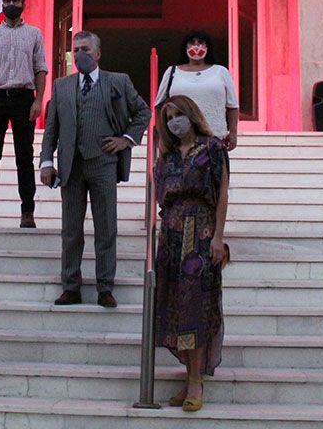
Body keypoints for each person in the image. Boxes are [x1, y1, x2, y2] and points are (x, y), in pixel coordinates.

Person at [39, 30, 150, 308]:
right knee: (71, 230)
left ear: (98, 53)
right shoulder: (62, 86)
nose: (79, 55)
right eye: (75, 49)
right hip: (71, 166)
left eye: (85, 49)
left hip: (103, 163)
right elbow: (52, 128)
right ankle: (70, 286)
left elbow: (143, 112)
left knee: (106, 227)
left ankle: (105, 287)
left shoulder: (118, 82)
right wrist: (46, 161)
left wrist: (126, 139)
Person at [153, 95, 230, 413]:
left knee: (195, 304)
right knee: (174, 305)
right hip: (170, 235)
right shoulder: (167, 155)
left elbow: (222, 192)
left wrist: (218, 237)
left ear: (191, 115)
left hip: (200, 231)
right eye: (169, 117)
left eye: (178, 115)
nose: (174, 122)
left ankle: (197, 381)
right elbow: (160, 197)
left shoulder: (212, 148)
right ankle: (189, 376)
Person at [0, 0, 48, 228]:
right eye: (7, 1)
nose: (11, 4)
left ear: (23, 4)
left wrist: (38, 100)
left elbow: (40, 69)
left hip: (23, 99)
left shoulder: (34, 34)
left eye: (15, 0)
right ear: (2, 4)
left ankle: (27, 211)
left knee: (24, 157)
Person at [154, 31, 240, 151]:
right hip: (179, 139)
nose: (196, 46)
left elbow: (232, 106)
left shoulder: (221, 72)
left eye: (200, 42)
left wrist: (233, 133)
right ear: (185, 47)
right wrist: (161, 134)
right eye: (192, 42)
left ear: (207, 47)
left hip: (214, 138)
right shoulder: (172, 72)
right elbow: (159, 106)